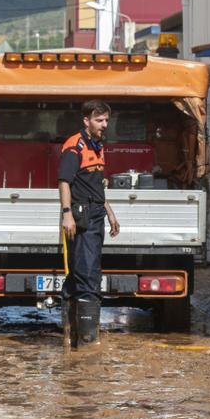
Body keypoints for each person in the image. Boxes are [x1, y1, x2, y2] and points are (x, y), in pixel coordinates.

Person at [59, 100, 121, 345]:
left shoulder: (98, 145)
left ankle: (70, 337)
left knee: (80, 273)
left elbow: (96, 185)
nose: (104, 125)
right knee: (87, 275)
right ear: (86, 121)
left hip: (96, 213)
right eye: (99, 120)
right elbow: (64, 182)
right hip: (81, 216)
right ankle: (87, 342)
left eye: (106, 120)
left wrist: (110, 212)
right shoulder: (75, 146)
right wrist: (67, 214)